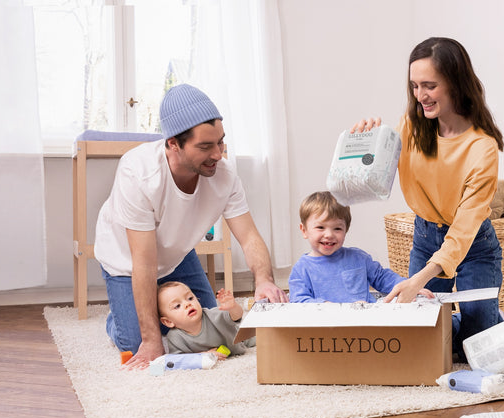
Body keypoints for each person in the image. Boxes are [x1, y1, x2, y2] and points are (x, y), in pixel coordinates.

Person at [93, 83, 286, 369]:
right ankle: (120, 318)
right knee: (142, 344)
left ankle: (142, 310)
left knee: (209, 330)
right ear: (173, 143)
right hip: (128, 263)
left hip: (177, 255)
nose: (218, 154)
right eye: (205, 147)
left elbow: (249, 237)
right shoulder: (139, 173)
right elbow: (143, 264)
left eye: (220, 142)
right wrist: (149, 339)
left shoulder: (225, 175)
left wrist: (265, 280)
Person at [352, 36, 504, 356]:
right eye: (414, 86)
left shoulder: (481, 147)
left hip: (473, 244)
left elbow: (463, 230)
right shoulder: (412, 125)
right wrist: (367, 142)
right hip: (425, 235)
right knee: (423, 341)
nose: (420, 95)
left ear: (455, 83)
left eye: (429, 86)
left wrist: (418, 280)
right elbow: (371, 181)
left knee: (474, 349)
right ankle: (470, 321)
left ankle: (489, 323)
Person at [288, 191, 427, 303]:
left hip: (365, 326)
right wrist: (325, 307)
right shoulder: (301, 269)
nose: (329, 234)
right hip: (325, 331)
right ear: (304, 230)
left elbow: (382, 277)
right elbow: (299, 300)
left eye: (337, 228)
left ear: (346, 230)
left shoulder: (358, 257)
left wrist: (409, 285)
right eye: (320, 227)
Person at [157, 282, 249, 356]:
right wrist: (203, 355)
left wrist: (232, 307)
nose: (187, 304)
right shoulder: (175, 337)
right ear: (168, 322)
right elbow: (179, 359)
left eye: (190, 298)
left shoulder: (212, 315)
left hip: (241, 337)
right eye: (177, 306)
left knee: (259, 334)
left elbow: (236, 317)